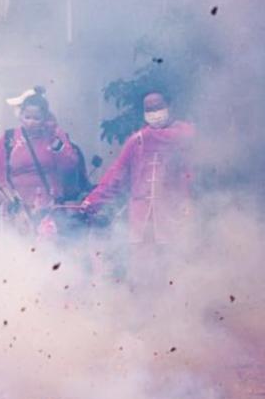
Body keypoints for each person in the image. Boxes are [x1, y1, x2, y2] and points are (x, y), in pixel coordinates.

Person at [80, 92, 194, 284]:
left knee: (176, 266)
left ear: (170, 105)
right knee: (143, 271)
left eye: (158, 107)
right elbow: (115, 175)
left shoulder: (187, 137)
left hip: (174, 213)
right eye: (149, 109)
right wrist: (93, 200)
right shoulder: (137, 141)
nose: (155, 113)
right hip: (141, 219)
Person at [0, 86, 84, 236]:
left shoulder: (56, 135)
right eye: (27, 117)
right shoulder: (9, 139)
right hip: (16, 211)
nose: (31, 122)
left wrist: (54, 138)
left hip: (50, 211)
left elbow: (70, 166)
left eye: (36, 118)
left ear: (45, 118)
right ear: (20, 115)